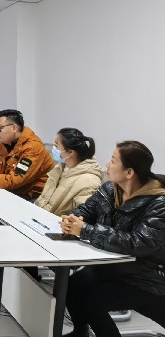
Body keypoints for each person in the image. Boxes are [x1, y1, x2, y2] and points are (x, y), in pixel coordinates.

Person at [61, 141, 165, 337]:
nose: (107, 165)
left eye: (113, 160)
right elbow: (86, 210)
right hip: (113, 268)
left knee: (91, 300)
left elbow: (137, 243)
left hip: (146, 278)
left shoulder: (159, 204)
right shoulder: (110, 189)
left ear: (129, 172)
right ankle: (80, 332)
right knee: (71, 285)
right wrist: (73, 219)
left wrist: (85, 231)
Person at [34, 128, 103, 216]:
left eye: (57, 145)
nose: (54, 148)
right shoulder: (61, 167)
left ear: (70, 152)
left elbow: (80, 218)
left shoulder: (89, 182)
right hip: (39, 215)